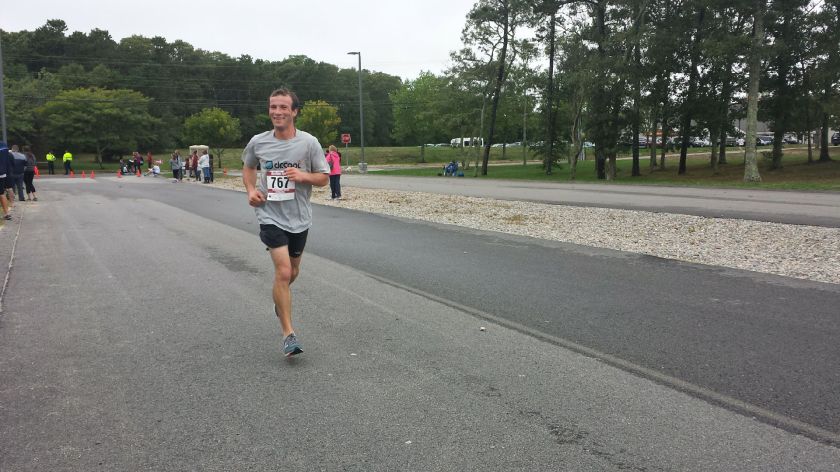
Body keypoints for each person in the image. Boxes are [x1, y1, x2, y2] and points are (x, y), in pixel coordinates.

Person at [242, 88, 329, 357]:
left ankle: (280, 299)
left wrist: (303, 176)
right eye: (273, 107)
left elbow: (324, 178)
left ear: (294, 112)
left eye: (282, 107)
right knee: (282, 271)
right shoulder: (258, 142)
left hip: (299, 217)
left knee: (292, 271)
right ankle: (288, 335)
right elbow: (248, 167)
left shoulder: (309, 143)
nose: (277, 112)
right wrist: (251, 190)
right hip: (269, 214)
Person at [0, 142, 11, 220]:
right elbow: (7, 161)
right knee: (1, 193)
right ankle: (7, 213)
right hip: (3, 173)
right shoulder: (4, 145)